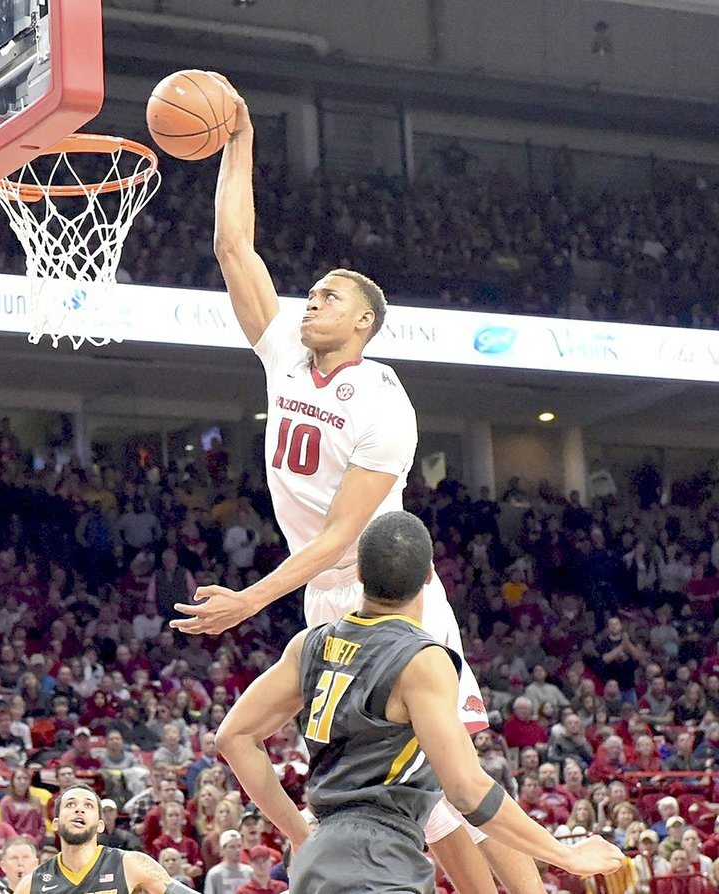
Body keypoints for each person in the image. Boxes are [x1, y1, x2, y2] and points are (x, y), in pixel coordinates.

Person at [171, 75, 546, 894]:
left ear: (364, 322)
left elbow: (345, 537)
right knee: (408, 794)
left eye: (329, 296)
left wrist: (247, 602)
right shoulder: (282, 355)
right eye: (312, 294)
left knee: (453, 776)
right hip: (320, 604)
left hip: (391, 597)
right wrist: (239, 141)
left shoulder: (381, 400)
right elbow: (236, 249)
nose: (311, 302)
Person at [215, 511, 624, 894]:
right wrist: (566, 855)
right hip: (379, 861)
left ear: (358, 574)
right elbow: (467, 790)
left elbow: (233, 736)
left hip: (320, 858)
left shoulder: (309, 644)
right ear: (430, 575)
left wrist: (296, 832)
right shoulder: (422, 660)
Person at [12, 784, 198, 894]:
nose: (79, 809)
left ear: (100, 824)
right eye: (71, 804)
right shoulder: (31, 885)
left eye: (88, 805)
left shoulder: (130, 864)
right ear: (56, 823)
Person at [203, 830, 253, 894]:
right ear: (223, 849)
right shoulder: (214, 874)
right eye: (232, 847)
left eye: (239, 846)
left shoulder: (250, 872)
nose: (237, 850)